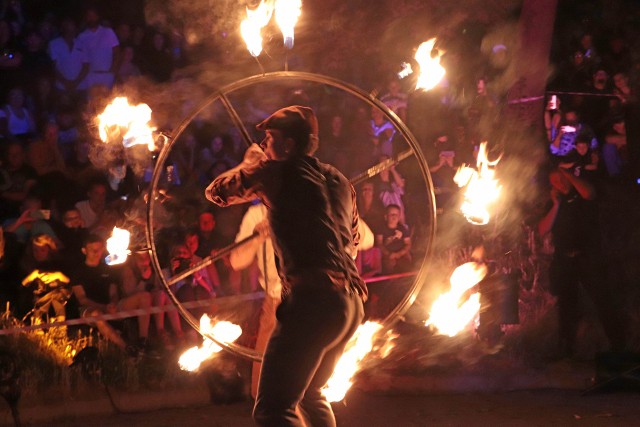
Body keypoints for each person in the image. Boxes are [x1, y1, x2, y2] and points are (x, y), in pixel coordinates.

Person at [206, 105, 367, 426]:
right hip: (351, 304)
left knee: (273, 409)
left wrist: (248, 164)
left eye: (270, 137)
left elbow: (217, 192)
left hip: (312, 303)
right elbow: (355, 240)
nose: (264, 144)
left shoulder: (274, 171)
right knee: (311, 394)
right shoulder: (339, 180)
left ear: (289, 144)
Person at [538, 169, 626, 356]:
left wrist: (566, 173)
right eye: (554, 182)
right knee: (567, 305)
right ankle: (566, 348)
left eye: (561, 179)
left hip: (588, 258)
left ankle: (618, 344)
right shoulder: (554, 204)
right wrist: (555, 204)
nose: (559, 184)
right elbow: (542, 229)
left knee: (602, 299)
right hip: (564, 260)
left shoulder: (582, 194)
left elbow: (590, 193)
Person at [71, 234, 152, 353]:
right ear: (84, 250)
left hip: (110, 306)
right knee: (96, 313)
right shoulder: (78, 271)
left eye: (99, 249)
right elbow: (82, 299)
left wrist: (113, 304)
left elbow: (113, 291)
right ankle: (126, 348)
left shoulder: (108, 268)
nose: (96, 252)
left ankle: (142, 341)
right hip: (89, 309)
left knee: (145, 297)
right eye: (92, 250)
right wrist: (104, 307)